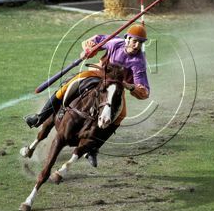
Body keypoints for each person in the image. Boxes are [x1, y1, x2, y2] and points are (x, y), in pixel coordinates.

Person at [24, 23, 150, 165]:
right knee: (69, 84)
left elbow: (144, 90)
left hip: (116, 86)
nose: (137, 45)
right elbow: (93, 41)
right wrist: (89, 50)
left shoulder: (139, 62)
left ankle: (93, 148)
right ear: (127, 39)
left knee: (121, 115)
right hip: (98, 73)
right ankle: (40, 117)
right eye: (135, 41)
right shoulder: (115, 43)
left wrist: (131, 87)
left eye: (140, 42)